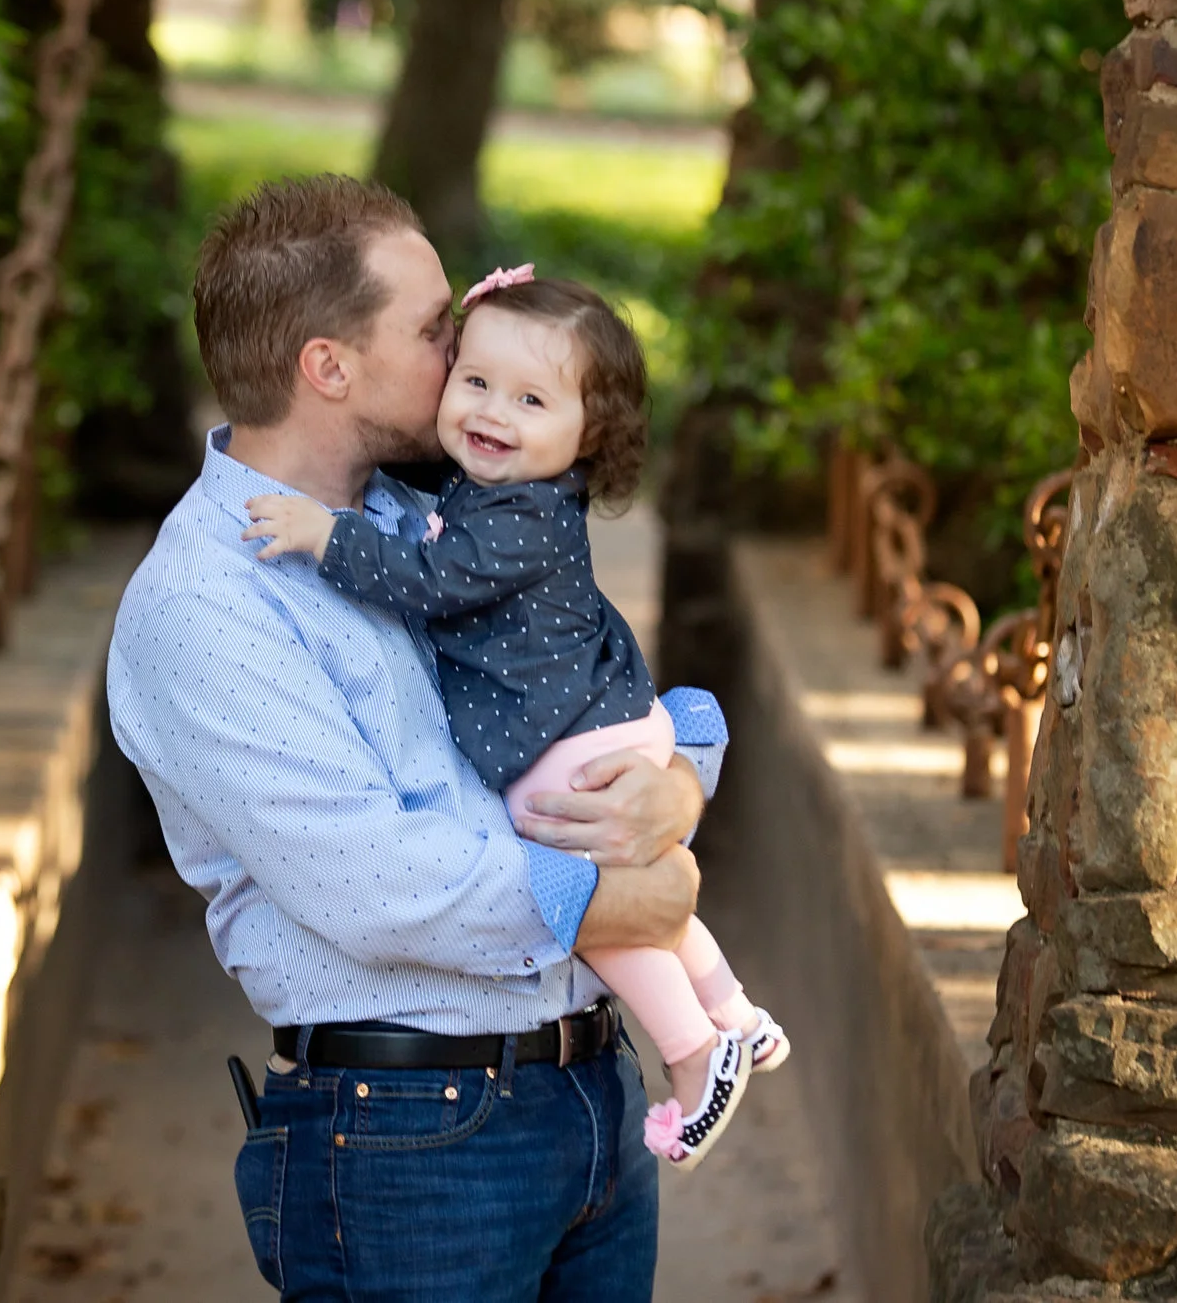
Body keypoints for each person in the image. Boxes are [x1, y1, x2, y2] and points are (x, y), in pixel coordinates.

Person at [106, 175, 718, 1302]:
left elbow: (594, 677)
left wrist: (679, 776)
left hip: (590, 1098)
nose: (468, 346)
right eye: (437, 329)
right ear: (328, 367)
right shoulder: (203, 606)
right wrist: (616, 898)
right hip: (410, 1147)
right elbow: (375, 880)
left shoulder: (449, 511)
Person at [243, 264, 788, 1170]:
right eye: (475, 379)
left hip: (577, 749)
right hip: (591, 727)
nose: (493, 411)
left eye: (531, 398)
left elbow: (426, 580)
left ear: (587, 438)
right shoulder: (484, 488)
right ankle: (736, 1010)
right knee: (640, 886)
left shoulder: (521, 519)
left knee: (600, 915)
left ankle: (697, 1052)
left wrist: (321, 533)